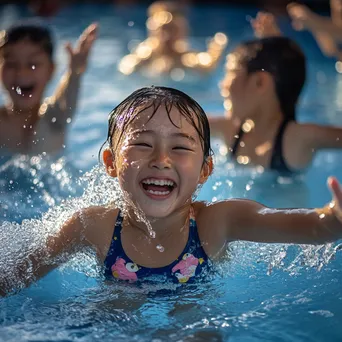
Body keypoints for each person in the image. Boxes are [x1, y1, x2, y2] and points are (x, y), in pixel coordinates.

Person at [1, 85, 342, 296]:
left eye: (180, 148)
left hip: (194, 306)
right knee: (107, 316)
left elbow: (296, 224)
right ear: (110, 162)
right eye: (143, 144)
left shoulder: (217, 223)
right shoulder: (93, 226)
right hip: (119, 301)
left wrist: (331, 220)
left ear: (205, 170)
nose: (161, 159)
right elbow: (16, 276)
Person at [208, 12, 342, 174]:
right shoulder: (230, 130)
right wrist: (274, 51)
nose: (223, 84)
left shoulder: (297, 139)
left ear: (260, 82)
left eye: (231, 72)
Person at [0, 20, 98, 158]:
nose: (22, 73)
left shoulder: (53, 119)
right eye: (11, 64)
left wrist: (75, 73)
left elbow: (65, 104)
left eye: (33, 64)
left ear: (51, 70)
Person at [118, 1, 227, 75]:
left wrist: (216, 51)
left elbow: (207, 68)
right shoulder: (145, 54)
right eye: (163, 30)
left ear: (182, 33)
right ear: (153, 32)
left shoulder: (185, 57)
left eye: (172, 30)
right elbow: (125, 69)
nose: (167, 35)